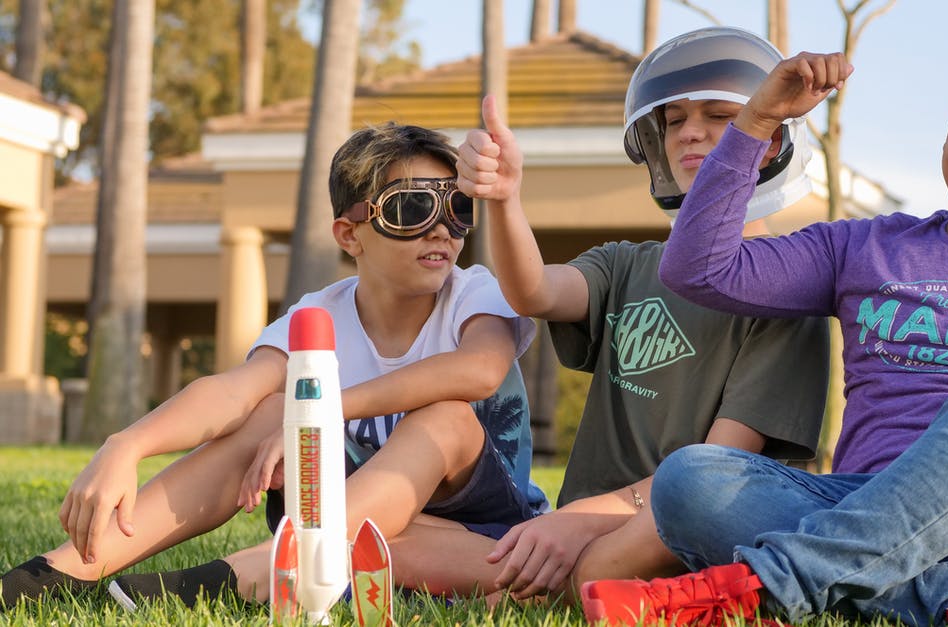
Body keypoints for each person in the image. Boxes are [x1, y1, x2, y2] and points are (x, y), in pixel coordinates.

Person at [580, 38, 948, 627]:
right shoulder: (867, 246)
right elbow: (699, 269)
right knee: (691, 478)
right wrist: (757, 119)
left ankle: (768, 585)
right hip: (866, 510)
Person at [1, 122, 548, 610]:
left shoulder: (475, 293)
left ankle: (261, 570)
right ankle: (59, 572)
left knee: (445, 418)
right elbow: (232, 394)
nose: (441, 231)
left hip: (490, 543)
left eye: (457, 210)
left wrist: (325, 410)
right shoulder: (321, 314)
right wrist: (127, 444)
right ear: (348, 234)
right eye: (411, 209)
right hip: (371, 538)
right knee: (269, 412)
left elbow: (479, 371)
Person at [377, 26, 830, 604]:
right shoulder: (627, 263)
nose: (689, 132)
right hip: (576, 523)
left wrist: (579, 521)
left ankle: (524, 585)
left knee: (464, 559)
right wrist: (505, 198)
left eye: (718, 116)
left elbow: (715, 472)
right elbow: (534, 292)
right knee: (398, 534)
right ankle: (524, 580)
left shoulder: (785, 293)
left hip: (669, 530)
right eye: (672, 121)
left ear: (767, 143)